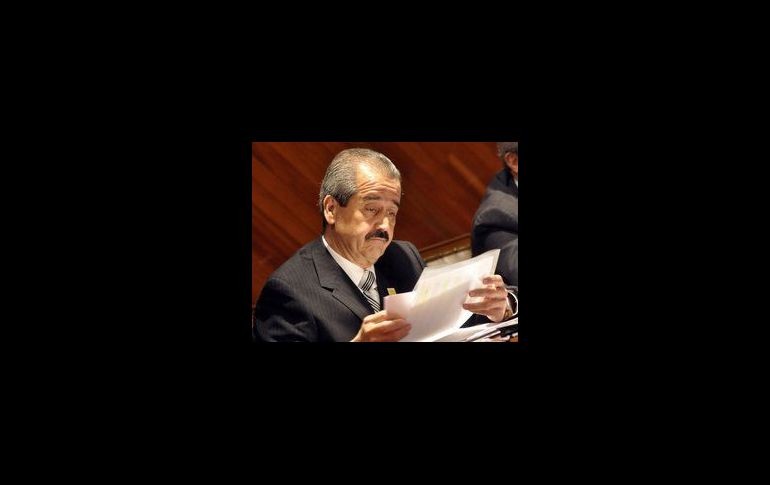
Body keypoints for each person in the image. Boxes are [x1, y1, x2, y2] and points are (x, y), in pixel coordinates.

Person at [253, 147, 510, 342]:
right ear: (331, 209)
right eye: (372, 209)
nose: (385, 226)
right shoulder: (289, 292)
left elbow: (455, 322)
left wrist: (500, 308)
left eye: (392, 213)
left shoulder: (402, 257)